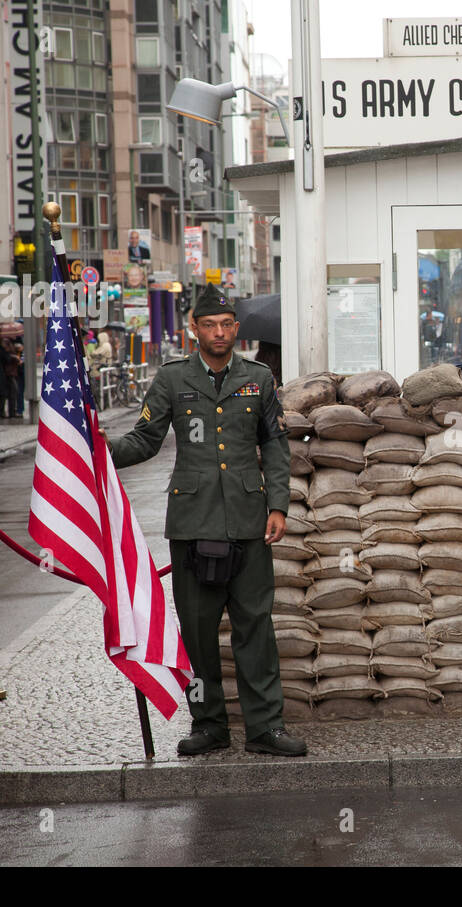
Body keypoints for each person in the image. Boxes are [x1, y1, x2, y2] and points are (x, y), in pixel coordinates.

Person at [98, 284, 304, 758]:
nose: (218, 332)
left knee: (256, 628)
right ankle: (208, 725)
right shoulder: (171, 379)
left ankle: (266, 728)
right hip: (192, 524)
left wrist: (278, 505)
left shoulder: (259, 378)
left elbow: (275, 446)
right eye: (209, 325)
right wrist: (102, 450)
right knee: (197, 634)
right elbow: (146, 439)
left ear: (236, 328)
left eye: (226, 324)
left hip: (250, 522)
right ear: (194, 329)